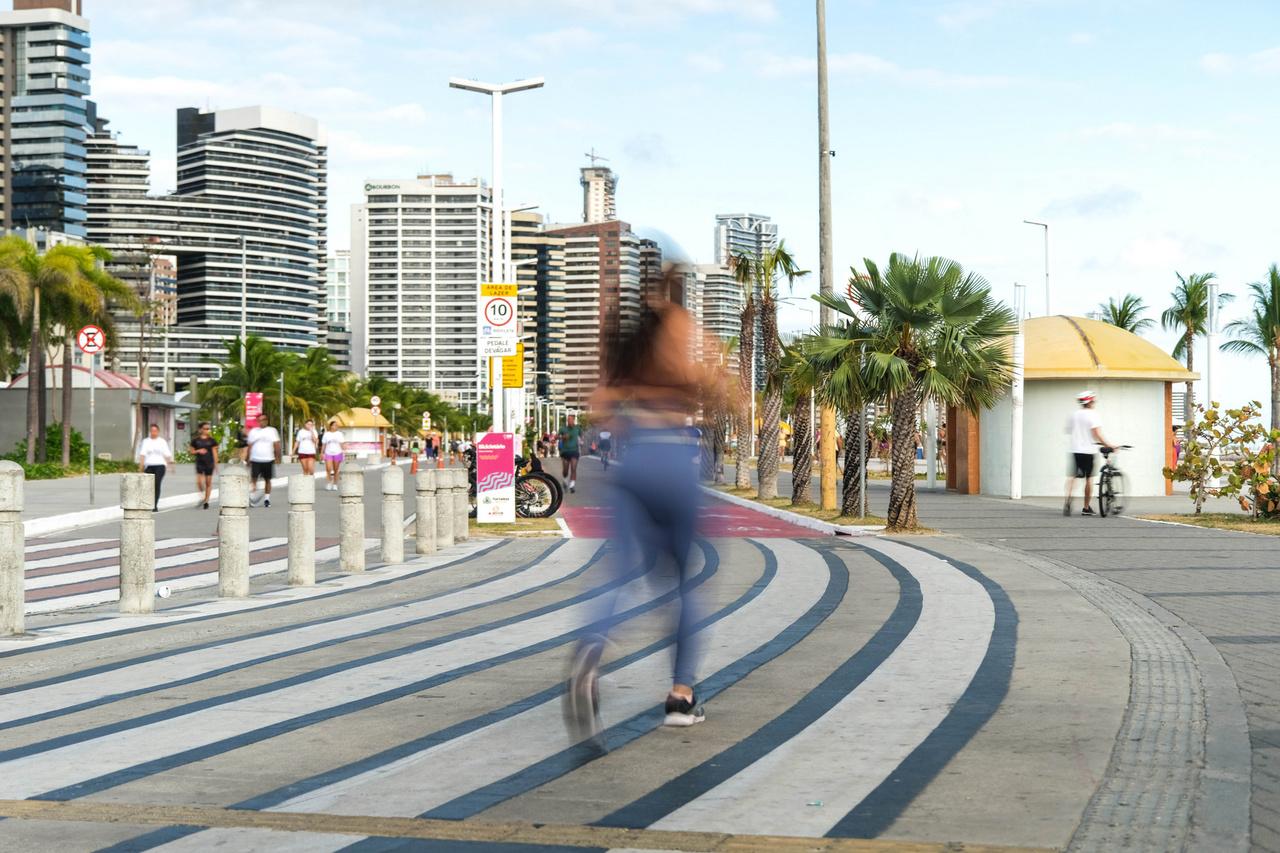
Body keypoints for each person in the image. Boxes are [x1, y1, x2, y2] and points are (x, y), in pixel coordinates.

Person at [564, 284, 725, 746]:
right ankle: (680, 694)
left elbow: (599, 410)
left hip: (633, 465)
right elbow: (719, 386)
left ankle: (593, 647)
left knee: (620, 571)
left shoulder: (626, 358)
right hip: (674, 462)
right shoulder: (679, 341)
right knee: (684, 584)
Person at [1065, 390, 1116, 517]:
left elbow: (1069, 430)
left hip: (1075, 450)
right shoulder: (1093, 415)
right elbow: (1096, 433)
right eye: (1093, 400)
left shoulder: (1074, 414)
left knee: (1073, 477)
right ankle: (1086, 507)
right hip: (1088, 450)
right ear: (1090, 402)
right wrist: (1107, 444)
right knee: (1089, 479)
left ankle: (1068, 501)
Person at [136, 423, 174, 512]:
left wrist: (171, 466)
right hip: (149, 465)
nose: (153, 433)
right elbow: (142, 455)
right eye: (152, 431)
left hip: (160, 465)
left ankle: (154, 505)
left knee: (156, 483)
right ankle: (148, 503)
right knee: (148, 485)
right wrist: (140, 468)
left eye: (155, 431)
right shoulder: (146, 441)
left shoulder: (162, 441)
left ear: (158, 432)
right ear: (150, 431)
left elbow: (167, 455)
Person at [247, 413, 282, 508]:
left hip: (268, 459)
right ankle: (253, 498)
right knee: (254, 479)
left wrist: (278, 457)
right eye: (260, 420)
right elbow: (249, 446)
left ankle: (267, 499)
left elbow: (277, 445)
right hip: (255, 459)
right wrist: (248, 459)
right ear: (258, 421)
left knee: (268, 480)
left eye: (264, 420)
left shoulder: (272, 431)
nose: (262, 422)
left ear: (267, 421)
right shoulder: (253, 431)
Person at [189, 421, 219, 509]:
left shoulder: (212, 440)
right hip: (200, 462)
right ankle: (202, 496)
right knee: (199, 482)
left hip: (209, 463)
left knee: (208, 482)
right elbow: (191, 451)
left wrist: (216, 464)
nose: (207, 430)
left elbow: (215, 453)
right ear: (200, 429)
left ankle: (206, 501)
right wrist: (198, 451)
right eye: (205, 428)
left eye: (208, 429)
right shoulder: (196, 440)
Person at [558, 413, 583, 493]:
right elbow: (555, 437)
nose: (569, 421)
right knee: (565, 470)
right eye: (568, 419)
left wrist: (581, 441)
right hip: (565, 451)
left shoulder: (577, 428)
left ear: (574, 420)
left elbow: (581, 436)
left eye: (571, 419)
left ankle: (572, 485)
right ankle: (565, 481)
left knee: (573, 468)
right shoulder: (563, 429)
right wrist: (562, 437)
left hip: (574, 451)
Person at [322, 419, 344, 491]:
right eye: (334, 425)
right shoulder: (326, 434)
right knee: (328, 469)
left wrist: (344, 452)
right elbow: (324, 444)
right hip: (328, 453)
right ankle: (329, 482)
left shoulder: (339, 434)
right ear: (331, 426)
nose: (336, 426)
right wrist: (322, 453)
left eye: (337, 425)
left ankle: (335, 484)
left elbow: (341, 444)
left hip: (337, 453)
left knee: (336, 469)